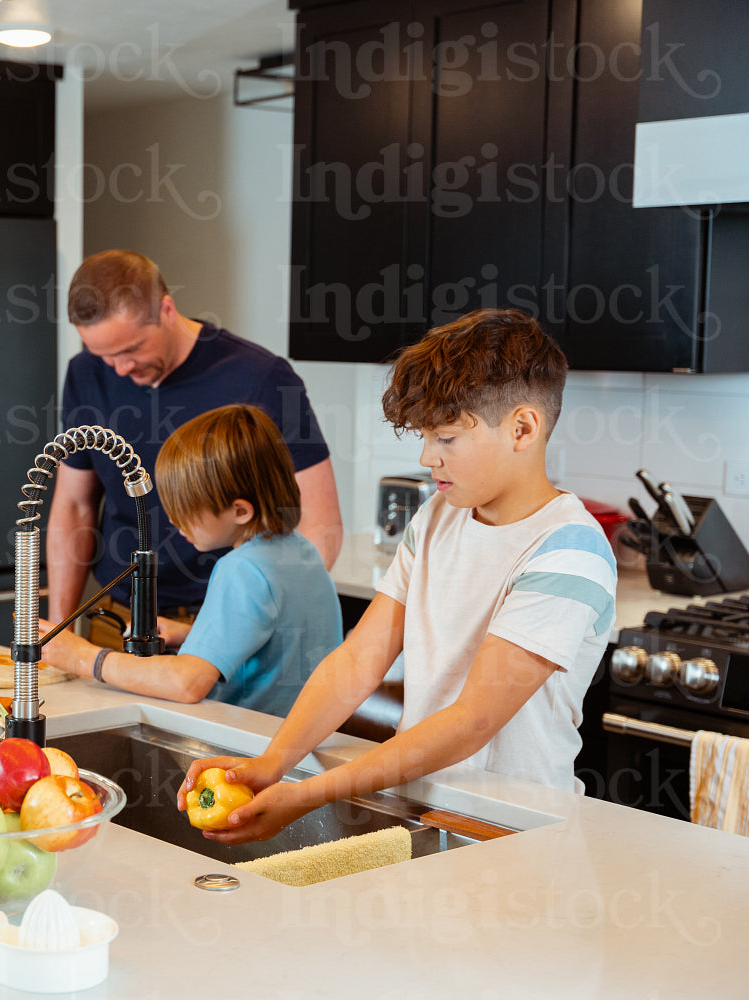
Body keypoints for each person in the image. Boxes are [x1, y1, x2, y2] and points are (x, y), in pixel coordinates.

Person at [176, 309, 617, 843]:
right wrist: (273, 763)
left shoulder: (569, 550)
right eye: (427, 437)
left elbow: (472, 720)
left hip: (513, 827)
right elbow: (358, 661)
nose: (429, 457)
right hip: (422, 807)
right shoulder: (437, 517)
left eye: (447, 438)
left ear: (523, 428)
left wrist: (307, 793)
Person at [47, 250, 342, 648]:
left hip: (228, 617)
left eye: (131, 349)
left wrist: (266, 622)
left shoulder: (260, 378)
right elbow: (73, 505)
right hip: (119, 620)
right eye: (104, 355)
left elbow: (319, 523)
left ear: (166, 309)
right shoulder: (85, 374)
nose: (119, 368)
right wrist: (57, 629)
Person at [37, 404, 341, 714]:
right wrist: (192, 635)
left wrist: (84, 658)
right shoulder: (303, 553)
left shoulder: (241, 569)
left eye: (186, 509)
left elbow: (187, 685)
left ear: (240, 511)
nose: (174, 521)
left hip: (246, 746)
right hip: (295, 745)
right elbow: (273, 643)